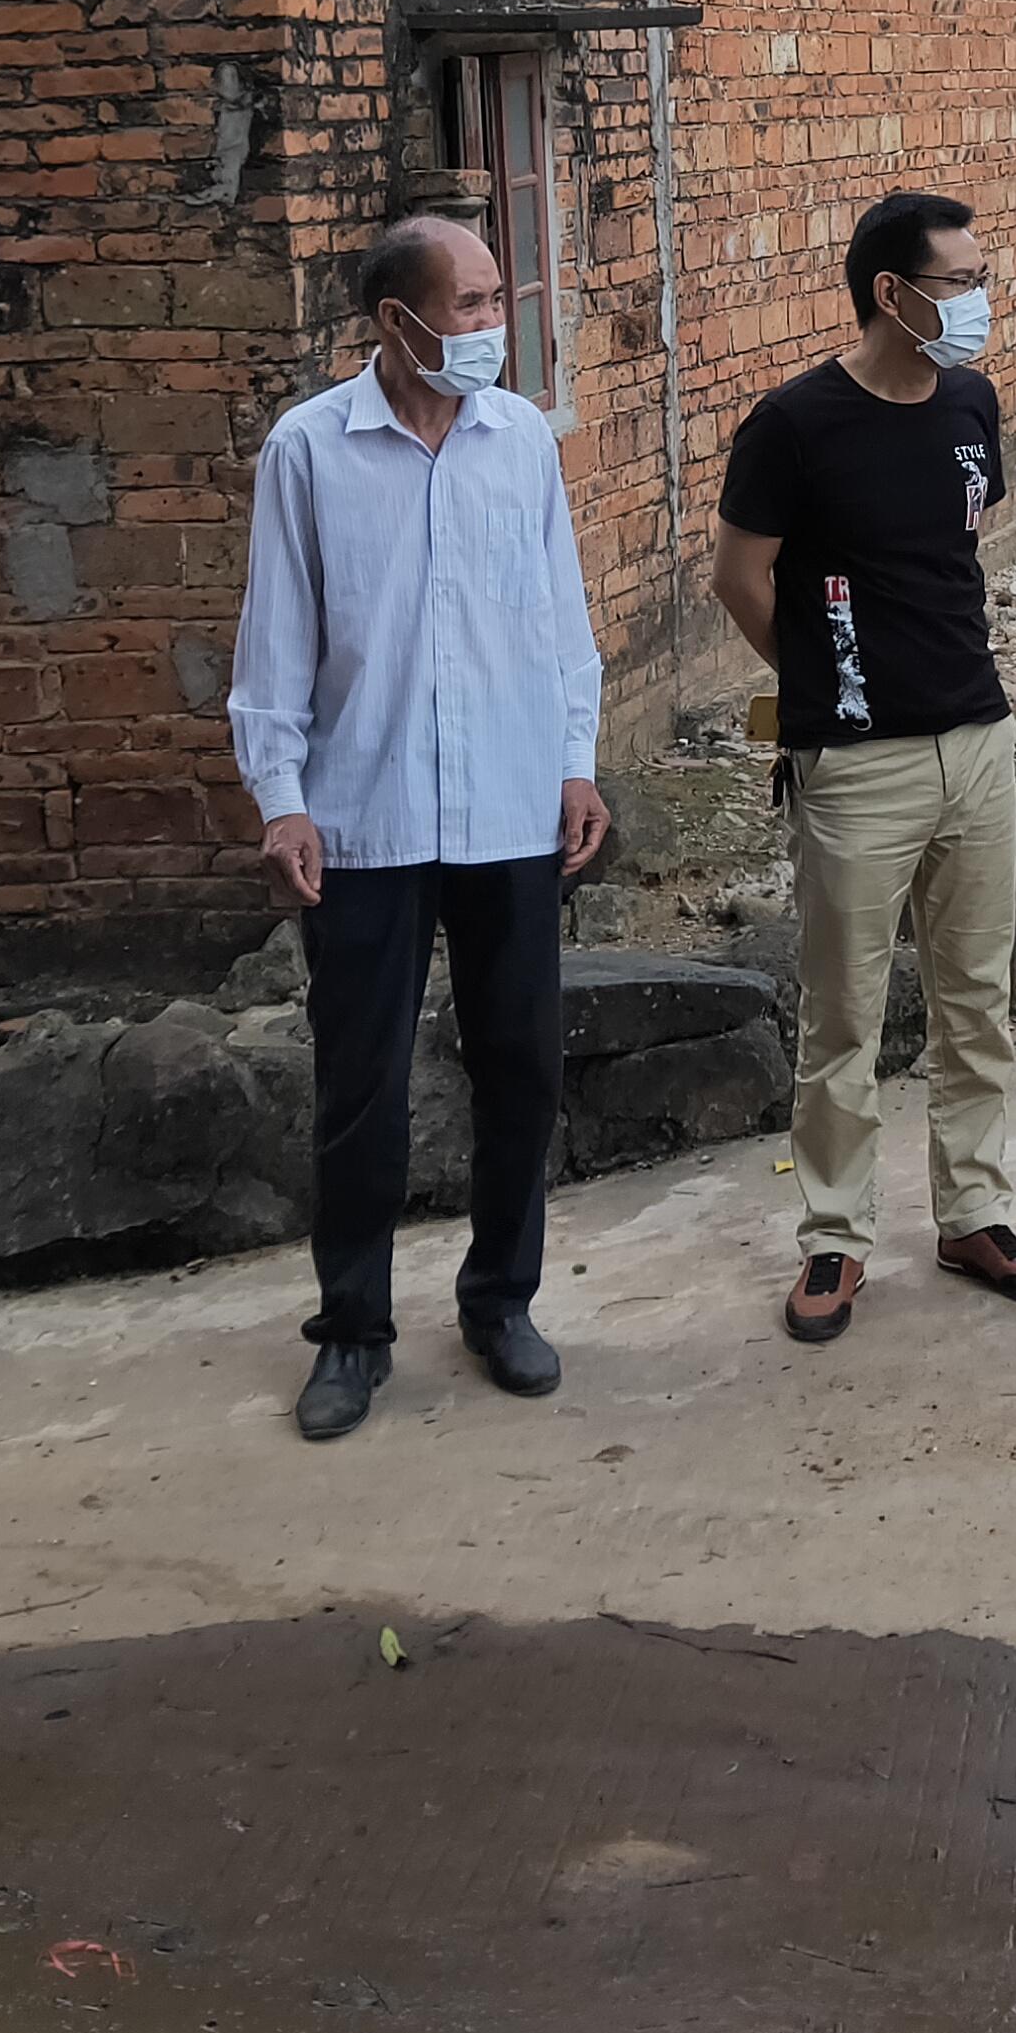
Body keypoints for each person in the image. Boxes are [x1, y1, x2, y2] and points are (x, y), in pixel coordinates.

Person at [231, 215, 612, 1443]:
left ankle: (501, 1302)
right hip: (363, 820)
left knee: (520, 1072)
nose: (497, 326)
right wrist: (280, 795)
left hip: (509, 809)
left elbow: (560, 618)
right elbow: (275, 638)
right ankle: (351, 1330)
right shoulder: (310, 452)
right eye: (472, 305)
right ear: (397, 323)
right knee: (359, 1090)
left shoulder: (520, 446)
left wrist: (574, 765)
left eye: (501, 300)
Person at [713, 191, 1016, 1345]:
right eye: (958, 284)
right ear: (892, 295)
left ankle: (974, 1212)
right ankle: (833, 1237)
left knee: (975, 999)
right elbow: (739, 579)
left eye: (978, 277)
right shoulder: (795, 425)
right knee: (846, 1012)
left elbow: (955, 548)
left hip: (979, 737)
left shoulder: (971, 401)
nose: (978, 303)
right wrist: (823, 682)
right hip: (855, 763)